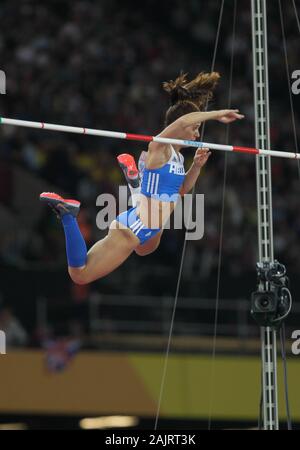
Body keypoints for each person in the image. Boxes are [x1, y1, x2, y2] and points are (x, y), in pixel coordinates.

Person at [40, 72, 244, 285]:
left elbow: (181, 190)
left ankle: (136, 185)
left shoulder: (179, 158)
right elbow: (184, 120)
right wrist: (216, 114)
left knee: (145, 250)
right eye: (194, 129)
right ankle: (68, 215)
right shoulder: (159, 148)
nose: (196, 135)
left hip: (147, 226)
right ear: (179, 127)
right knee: (80, 275)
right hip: (136, 226)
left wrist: (196, 166)